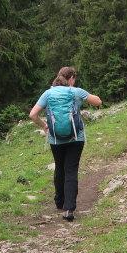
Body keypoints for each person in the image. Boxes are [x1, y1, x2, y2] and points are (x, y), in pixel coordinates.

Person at [29, 67, 102, 221]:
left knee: (60, 167)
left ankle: (59, 201)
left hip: (55, 139)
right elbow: (98, 102)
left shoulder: (48, 93)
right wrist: (83, 94)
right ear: (71, 78)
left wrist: (44, 126)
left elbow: (33, 114)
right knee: (71, 170)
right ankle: (69, 209)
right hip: (76, 138)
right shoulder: (76, 91)